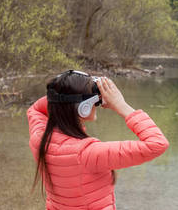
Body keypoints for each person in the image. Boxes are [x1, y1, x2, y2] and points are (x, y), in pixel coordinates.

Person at [28, 69, 169, 209]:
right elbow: (157, 144)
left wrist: (61, 97)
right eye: (95, 101)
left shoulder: (40, 139)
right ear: (83, 108)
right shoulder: (90, 153)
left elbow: (35, 109)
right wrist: (120, 105)